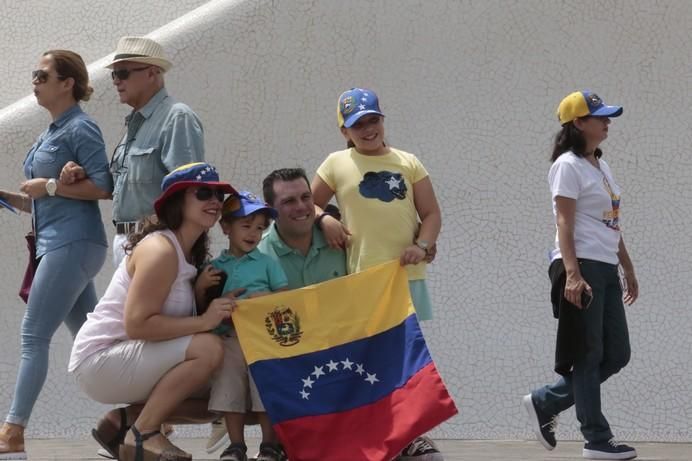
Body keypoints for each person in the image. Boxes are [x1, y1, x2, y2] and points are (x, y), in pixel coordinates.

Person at [260, 167, 443, 461]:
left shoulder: (344, 237)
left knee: (394, 338)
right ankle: (279, 445)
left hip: (347, 345)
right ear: (271, 210)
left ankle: (406, 434)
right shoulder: (260, 255)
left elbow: (386, 252)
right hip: (295, 356)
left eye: (306, 197)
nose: (301, 207)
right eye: (289, 201)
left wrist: (423, 247)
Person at [68, 162, 236, 461]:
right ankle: (144, 433)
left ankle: (123, 423)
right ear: (177, 200)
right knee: (209, 348)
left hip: (128, 358)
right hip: (100, 360)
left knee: (223, 398)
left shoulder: (187, 254)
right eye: (202, 193)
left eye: (218, 195)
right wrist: (204, 320)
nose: (214, 201)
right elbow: (137, 325)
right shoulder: (160, 250)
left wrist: (202, 298)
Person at [0, 49, 112, 460]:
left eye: (41, 75)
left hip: (73, 243)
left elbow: (102, 187)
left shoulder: (81, 128)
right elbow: (44, 199)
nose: (34, 81)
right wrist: (11, 196)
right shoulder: (50, 132)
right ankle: (149, 415)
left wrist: (48, 186)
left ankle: (13, 431)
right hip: (58, 242)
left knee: (33, 335)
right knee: (94, 340)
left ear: (67, 83)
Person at [522, 91, 639, 460]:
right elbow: (564, 222)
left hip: (603, 265)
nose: (607, 122)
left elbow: (611, 223)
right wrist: (572, 274)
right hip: (580, 265)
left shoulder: (600, 167)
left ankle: (547, 400)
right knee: (588, 354)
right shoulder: (567, 165)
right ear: (577, 123)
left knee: (616, 353)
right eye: (599, 116)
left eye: (608, 116)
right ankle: (596, 439)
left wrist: (628, 267)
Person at [60, 35, 204, 267]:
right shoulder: (138, 124)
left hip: (157, 242)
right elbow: (119, 187)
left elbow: (187, 191)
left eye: (123, 73)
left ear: (152, 73)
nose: (116, 81)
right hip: (128, 240)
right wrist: (82, 173)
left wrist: (163, 240)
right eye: (114, 74)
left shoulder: (176, 117)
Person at [195, 191, 288, 461]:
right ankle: (237, 445)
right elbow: (202, 308)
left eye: (259, 228)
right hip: (228, 337)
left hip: (263, 339)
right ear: (226, 227)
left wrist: (267, 299)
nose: (253, 233)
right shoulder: (213, 266)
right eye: (245, 225)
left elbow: (286, 299)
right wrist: (204, 290)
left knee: (265, 387)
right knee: (228, 385)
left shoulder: (267, 263)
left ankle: (269, 444)